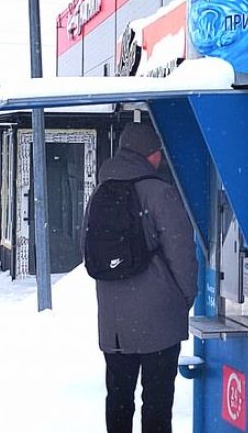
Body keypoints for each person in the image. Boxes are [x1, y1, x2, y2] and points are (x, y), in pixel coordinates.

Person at [86, 121, 198, 433]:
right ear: (147, 153)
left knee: (119, 398)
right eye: (157, 151)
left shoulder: (100, 191)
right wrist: (184, 298)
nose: (160, 157)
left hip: (114, 324)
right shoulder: (160, 192)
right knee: (157, 402)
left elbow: (89, 251)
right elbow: (182, 253)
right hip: (159, 318)